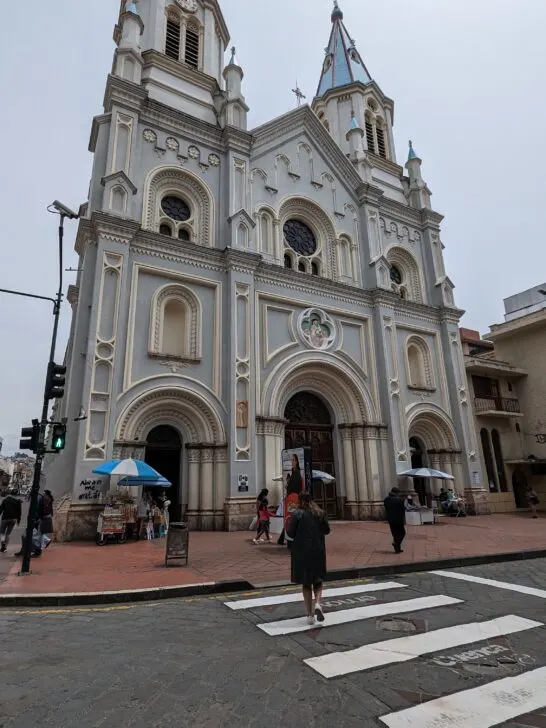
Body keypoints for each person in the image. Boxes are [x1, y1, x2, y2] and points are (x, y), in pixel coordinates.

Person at [286, 492, 330, 625]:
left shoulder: (297, 514)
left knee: (306, 583)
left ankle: (310, 615)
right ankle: (317, 603)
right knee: (318, 580)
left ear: (300, 501)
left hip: (302, 552)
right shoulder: (320, 513)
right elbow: (327, 530)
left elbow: (290, 533)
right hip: (317, 550)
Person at [384, 486, 406, 554]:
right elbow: (402, 510)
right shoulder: (400, 500)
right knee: (402, 533)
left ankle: (398, 549)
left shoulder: (386, 499)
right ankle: (396, 543)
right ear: (397, 493)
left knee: (395, 534)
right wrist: (403, 519)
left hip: (390, 519)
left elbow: (386, 508)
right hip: (398, 519)